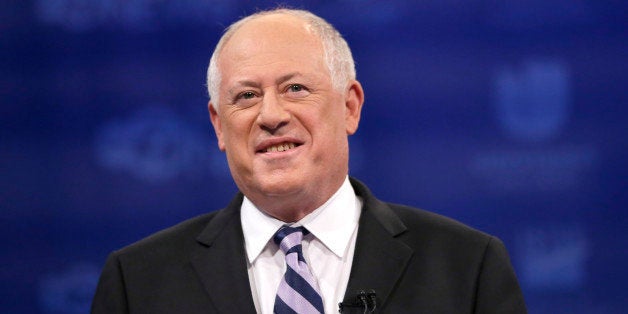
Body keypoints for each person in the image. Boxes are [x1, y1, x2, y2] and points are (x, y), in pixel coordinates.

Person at [91, 8, 527, 314]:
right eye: (246, 96)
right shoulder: (138, 282)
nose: (272, 115)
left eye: (295, 88)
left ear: (350, 106)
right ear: (219, 125)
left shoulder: (466, 267)